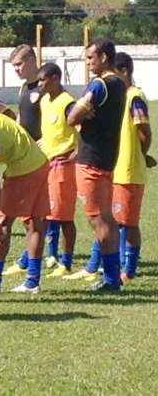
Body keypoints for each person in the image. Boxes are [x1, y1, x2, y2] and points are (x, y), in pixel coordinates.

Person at [65, 38, 126, 292]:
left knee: (98, 220)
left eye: (90, 57)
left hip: (91, 160)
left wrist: (79, 111)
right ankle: (112, 276)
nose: (87, 62)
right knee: (107, 220)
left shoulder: (99, 85)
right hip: (107, 157)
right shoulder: (119, 85)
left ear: (103, 57)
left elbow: (72, 117)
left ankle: (111, 279)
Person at [0, 110, 50, 297]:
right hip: (39, 160)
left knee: (3, 223)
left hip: (24, 168)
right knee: (34, 223)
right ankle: (32, 281)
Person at [1, 44, 42, 275]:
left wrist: (47, 140)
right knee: (32, 213)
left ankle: (43, 258)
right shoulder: (25, 87)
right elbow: (21, 117)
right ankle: (29, 258)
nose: (16, 69)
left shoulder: (46, 86)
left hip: (40, 157)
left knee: (39, 213)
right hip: (23, 155)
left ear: (33, 60)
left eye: (19, 64)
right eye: (14, 65)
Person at [112, 53, 153, 283]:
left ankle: (129, 268)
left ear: (125, 71)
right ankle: (118, 265)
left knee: (128, 222)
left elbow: (144, 132)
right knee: (118, 220)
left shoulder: (134, 97)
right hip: (116, 169)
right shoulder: (121, 97)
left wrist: (142, 154)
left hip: (129, 170)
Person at [36, 63, 80, 278]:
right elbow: (54, 130)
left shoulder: (68, 102)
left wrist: (75, 154)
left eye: (43, 80)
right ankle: (51, 256)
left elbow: (83, 130)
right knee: (47, 213)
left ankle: (67, 261)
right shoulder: (45, 101)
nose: (40, 84)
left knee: (64, 217)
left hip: (63, 167)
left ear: (55, 78)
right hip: (47, 163)